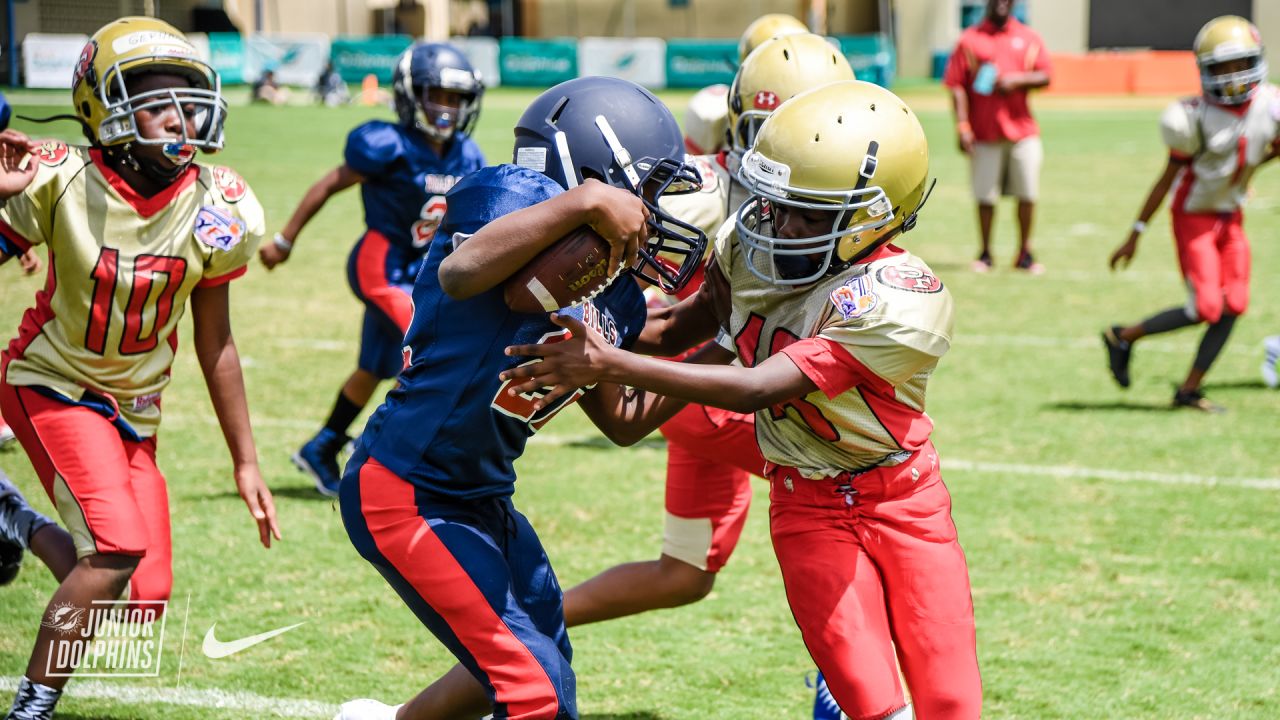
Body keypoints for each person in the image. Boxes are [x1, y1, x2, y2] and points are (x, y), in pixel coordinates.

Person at [499, 80, 982, 720]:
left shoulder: (900, 296)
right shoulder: (752, 240)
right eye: (779, 203)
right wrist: (571, 300)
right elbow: (677, 329)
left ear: (875, 215)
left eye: (809, 212)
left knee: (951, 701)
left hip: (903, 498)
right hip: (805, 501)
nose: (781, 225)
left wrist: (608, 362)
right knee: (871, 703)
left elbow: (761, 387)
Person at [332, 76, 707, 720]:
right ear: (596, 169)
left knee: (535, 660)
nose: (653, 211)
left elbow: (621, 419)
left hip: (479, 495)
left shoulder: (608, 284)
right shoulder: (511, 193)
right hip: (407, 489)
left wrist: (732, 328)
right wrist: (587, 201)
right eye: (646, 189)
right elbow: (461, 271)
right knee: (535, 691)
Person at [0, 18, 280, 719]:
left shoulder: (217, 204)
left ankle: (13, 521)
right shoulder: (57, 178)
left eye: (189, 101)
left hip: (133, 412)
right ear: (104, 107)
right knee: (117, 548)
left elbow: (217, 342)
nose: (181, 118)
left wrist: (245, 461)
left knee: (138, 603)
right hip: (52, 382)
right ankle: (33, 708)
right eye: (156, 101)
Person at [260, 42, 486, 496]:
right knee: (429, 351)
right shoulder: (385, 145)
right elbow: (329, 184)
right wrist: (286, 239)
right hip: (381, 266)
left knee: (375, 367)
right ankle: (389, 454)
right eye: (436, 94)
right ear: (409, 94)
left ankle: (322, 447)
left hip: (422, 275)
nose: (446, 107)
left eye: (455, 97)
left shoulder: (467, 154)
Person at [1104, 15, 1278, 413]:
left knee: (1235, 303)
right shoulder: (1192, 116)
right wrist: (1136, 232)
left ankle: (1189, 389)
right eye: (1222, 68)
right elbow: (1166, 179)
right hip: (1194, 215)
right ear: (1205, 71)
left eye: (1240, 65)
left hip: (1230, 216)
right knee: (1206, 308)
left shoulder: (1270, 104)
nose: (1233, 77)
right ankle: (1123, 336)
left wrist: (1248, 172)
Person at [943, 0, 1051, 273]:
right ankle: (986, 252)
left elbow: (1045, 75)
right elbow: (956, 85)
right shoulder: (970, 39)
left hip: (1022, 131)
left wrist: (1017, 80)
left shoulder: (1028, 37)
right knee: (985, 197)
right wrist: (963, 126)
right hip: (984, 133)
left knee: (1028, 193)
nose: (1001, 3)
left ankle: (1025, 252)